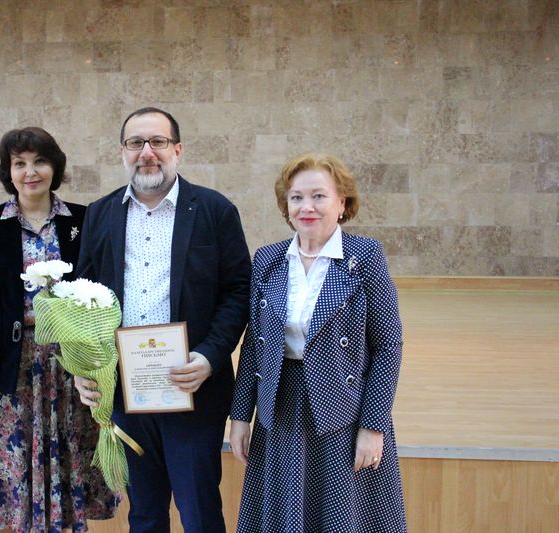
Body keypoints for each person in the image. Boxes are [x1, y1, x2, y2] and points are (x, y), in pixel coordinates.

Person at [73, 107, 251, 533]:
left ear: (178, 150)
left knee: (199, 513)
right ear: (122, 152)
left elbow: (238, 291)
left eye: (158, 142)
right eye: (136, 143)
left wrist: (209, 356)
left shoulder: (214, 210)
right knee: (145, 514)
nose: (147, 152)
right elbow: (83, 300)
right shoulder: (100, 213)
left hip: (192, 390)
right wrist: (84, 367)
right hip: (127, 394)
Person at [229, 153, 407, 532]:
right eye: (296, 197)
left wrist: (373, 426)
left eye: (319, 196)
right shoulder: (268, 259)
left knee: (341, 519)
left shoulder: (366, 257)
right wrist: (241, 416)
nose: (306, 207)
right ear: (286, 206)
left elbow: (388, 346)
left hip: (344, 410)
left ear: (342, 203)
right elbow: (254, 346)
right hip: (280, 405)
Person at [0, 127, 118, 533]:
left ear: (54, 168)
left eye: (40, 161)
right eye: (20, 163)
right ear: (8, 172)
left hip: (70, 368)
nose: (30, 172)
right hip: (11, 370)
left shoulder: (84, 220)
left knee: (69, 458)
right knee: (13, 469)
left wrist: (99, 364)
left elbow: (103, 292)